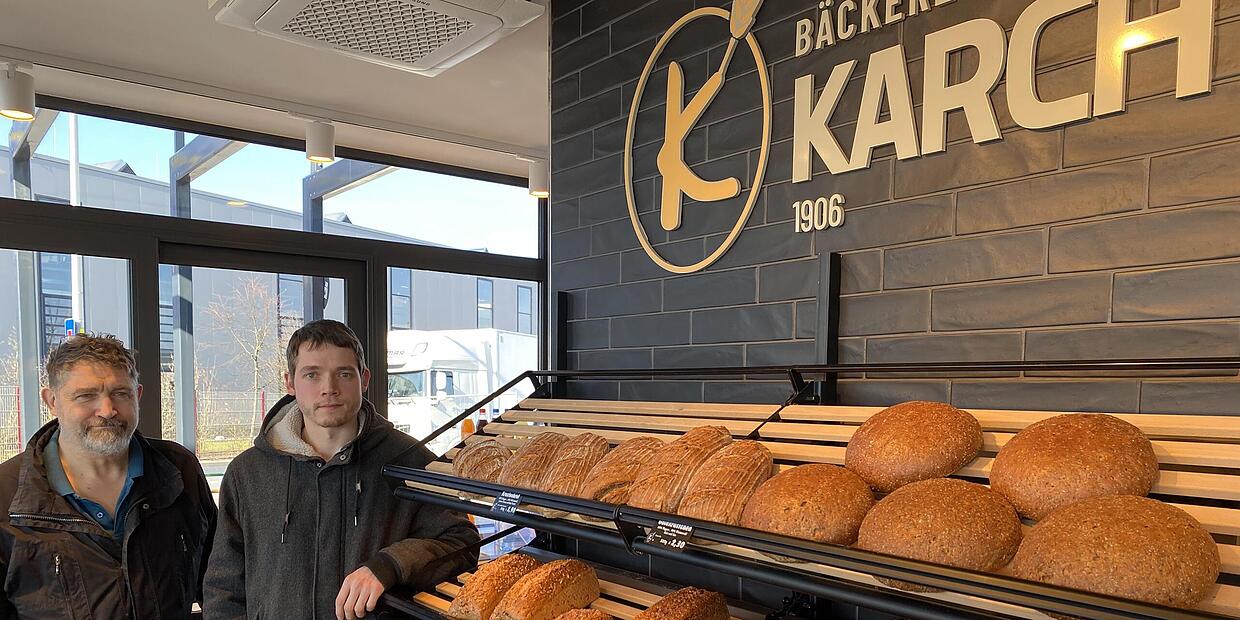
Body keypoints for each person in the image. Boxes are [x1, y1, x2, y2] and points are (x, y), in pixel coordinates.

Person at [204, 319, 479, 620]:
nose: (329, 389)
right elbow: (223, 592)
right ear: (290, 383)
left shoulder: (410, 461)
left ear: (364, 379)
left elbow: (461, 544)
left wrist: (391, 565)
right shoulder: (248, 474)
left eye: (344, 374)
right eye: (312, 375)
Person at [0, 334, 217, 619]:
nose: (107, 410)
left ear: (138, 395)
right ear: (51, 401)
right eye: (86, 395)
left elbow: (219, 584)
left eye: (121, 393)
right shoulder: (8, 494)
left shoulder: (178, 470)